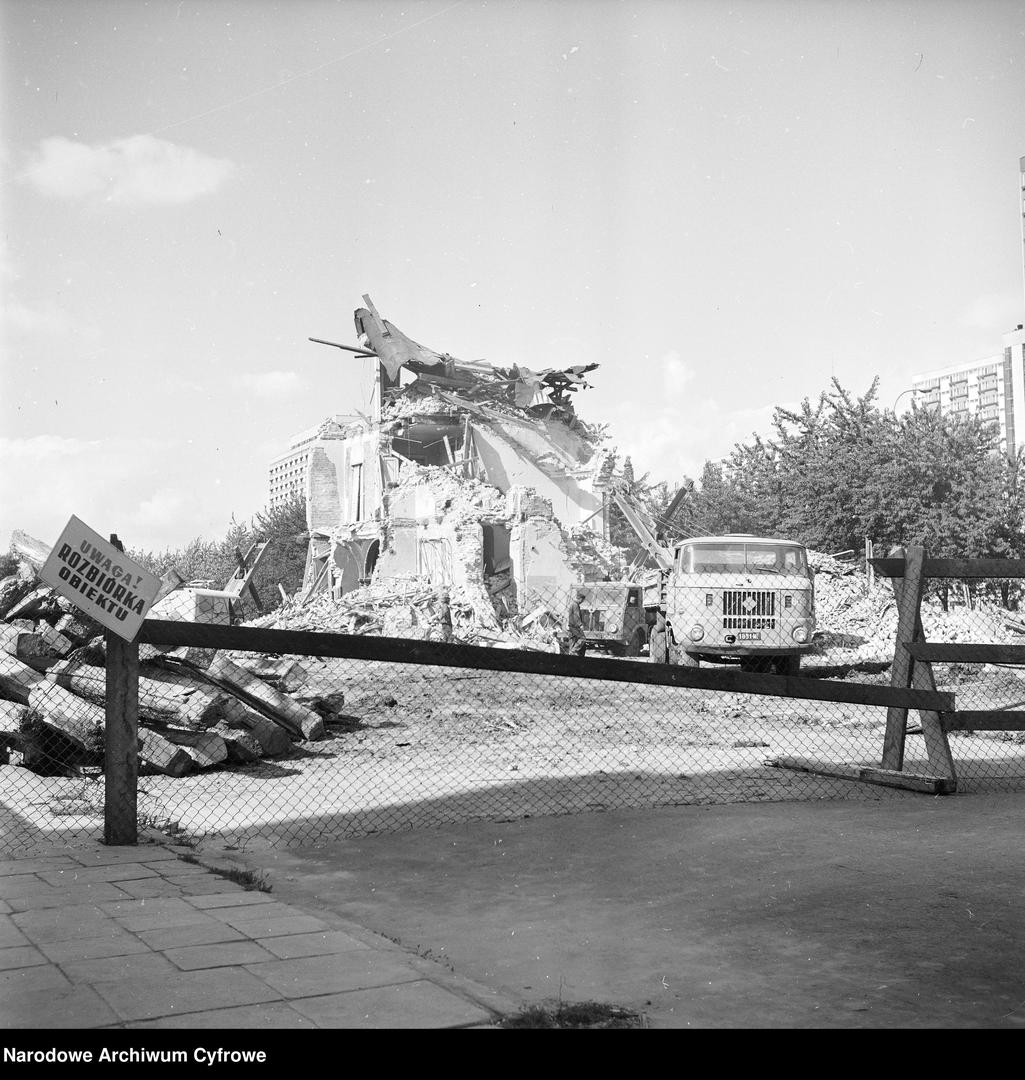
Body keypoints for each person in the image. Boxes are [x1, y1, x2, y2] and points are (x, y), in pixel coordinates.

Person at [567, 589, 587, 657]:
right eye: (582, 600)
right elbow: (576, 615)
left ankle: (571, 652)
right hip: (575, 627)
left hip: (571, 626)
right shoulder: (575, 605)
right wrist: (580, 625)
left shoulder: (572, 604)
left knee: (573, 641)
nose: (582, 602)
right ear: (580, 599)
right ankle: (573, 651)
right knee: (582, 638)